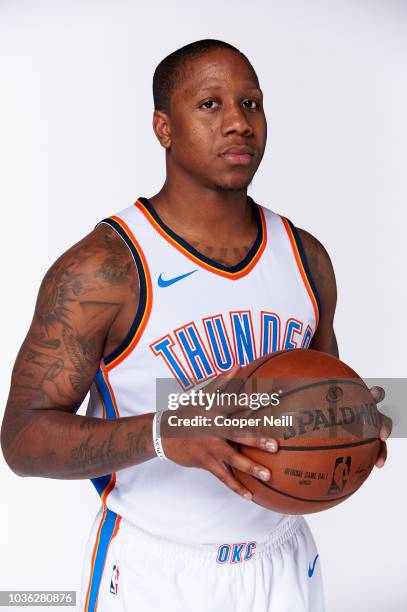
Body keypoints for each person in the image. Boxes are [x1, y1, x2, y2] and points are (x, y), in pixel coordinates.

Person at [1, 39, 390, 612]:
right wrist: (167, 430)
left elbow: (313, 394)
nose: (237, 122)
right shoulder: (103, 270)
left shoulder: (306, 258)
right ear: (163, 127)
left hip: (284, 561)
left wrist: (354, 423)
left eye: (251, 103)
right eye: (210, 105)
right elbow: (23, 440)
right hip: (157, 572)